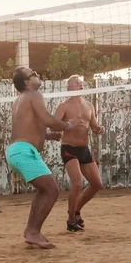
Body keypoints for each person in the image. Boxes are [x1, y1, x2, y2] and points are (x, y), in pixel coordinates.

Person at [5, 67, 78, 249]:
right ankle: (33, 232)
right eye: (34, 74)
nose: (38, 74)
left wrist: (48, 136)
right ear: (27, 82)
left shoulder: (18, 100)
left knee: (44, 190)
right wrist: (68, 125)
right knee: (51, 190)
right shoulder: (34, 94)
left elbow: (26, 129)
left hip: (16, 150)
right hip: (24, 151)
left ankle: (32, 231)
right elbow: (48, 119)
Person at [54, 75, 105, 232]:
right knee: (77, 183)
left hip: (84, 149)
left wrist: (98, 129)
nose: (80, 85)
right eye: (77, 84)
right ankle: (70, 221)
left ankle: (75, 210)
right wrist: (68, 124)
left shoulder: (89, 105)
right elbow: (54, 127)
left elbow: (94, 126)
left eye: (81, 84)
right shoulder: (63, 106)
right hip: (69, 148)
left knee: (97, 184)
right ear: (69, 88)